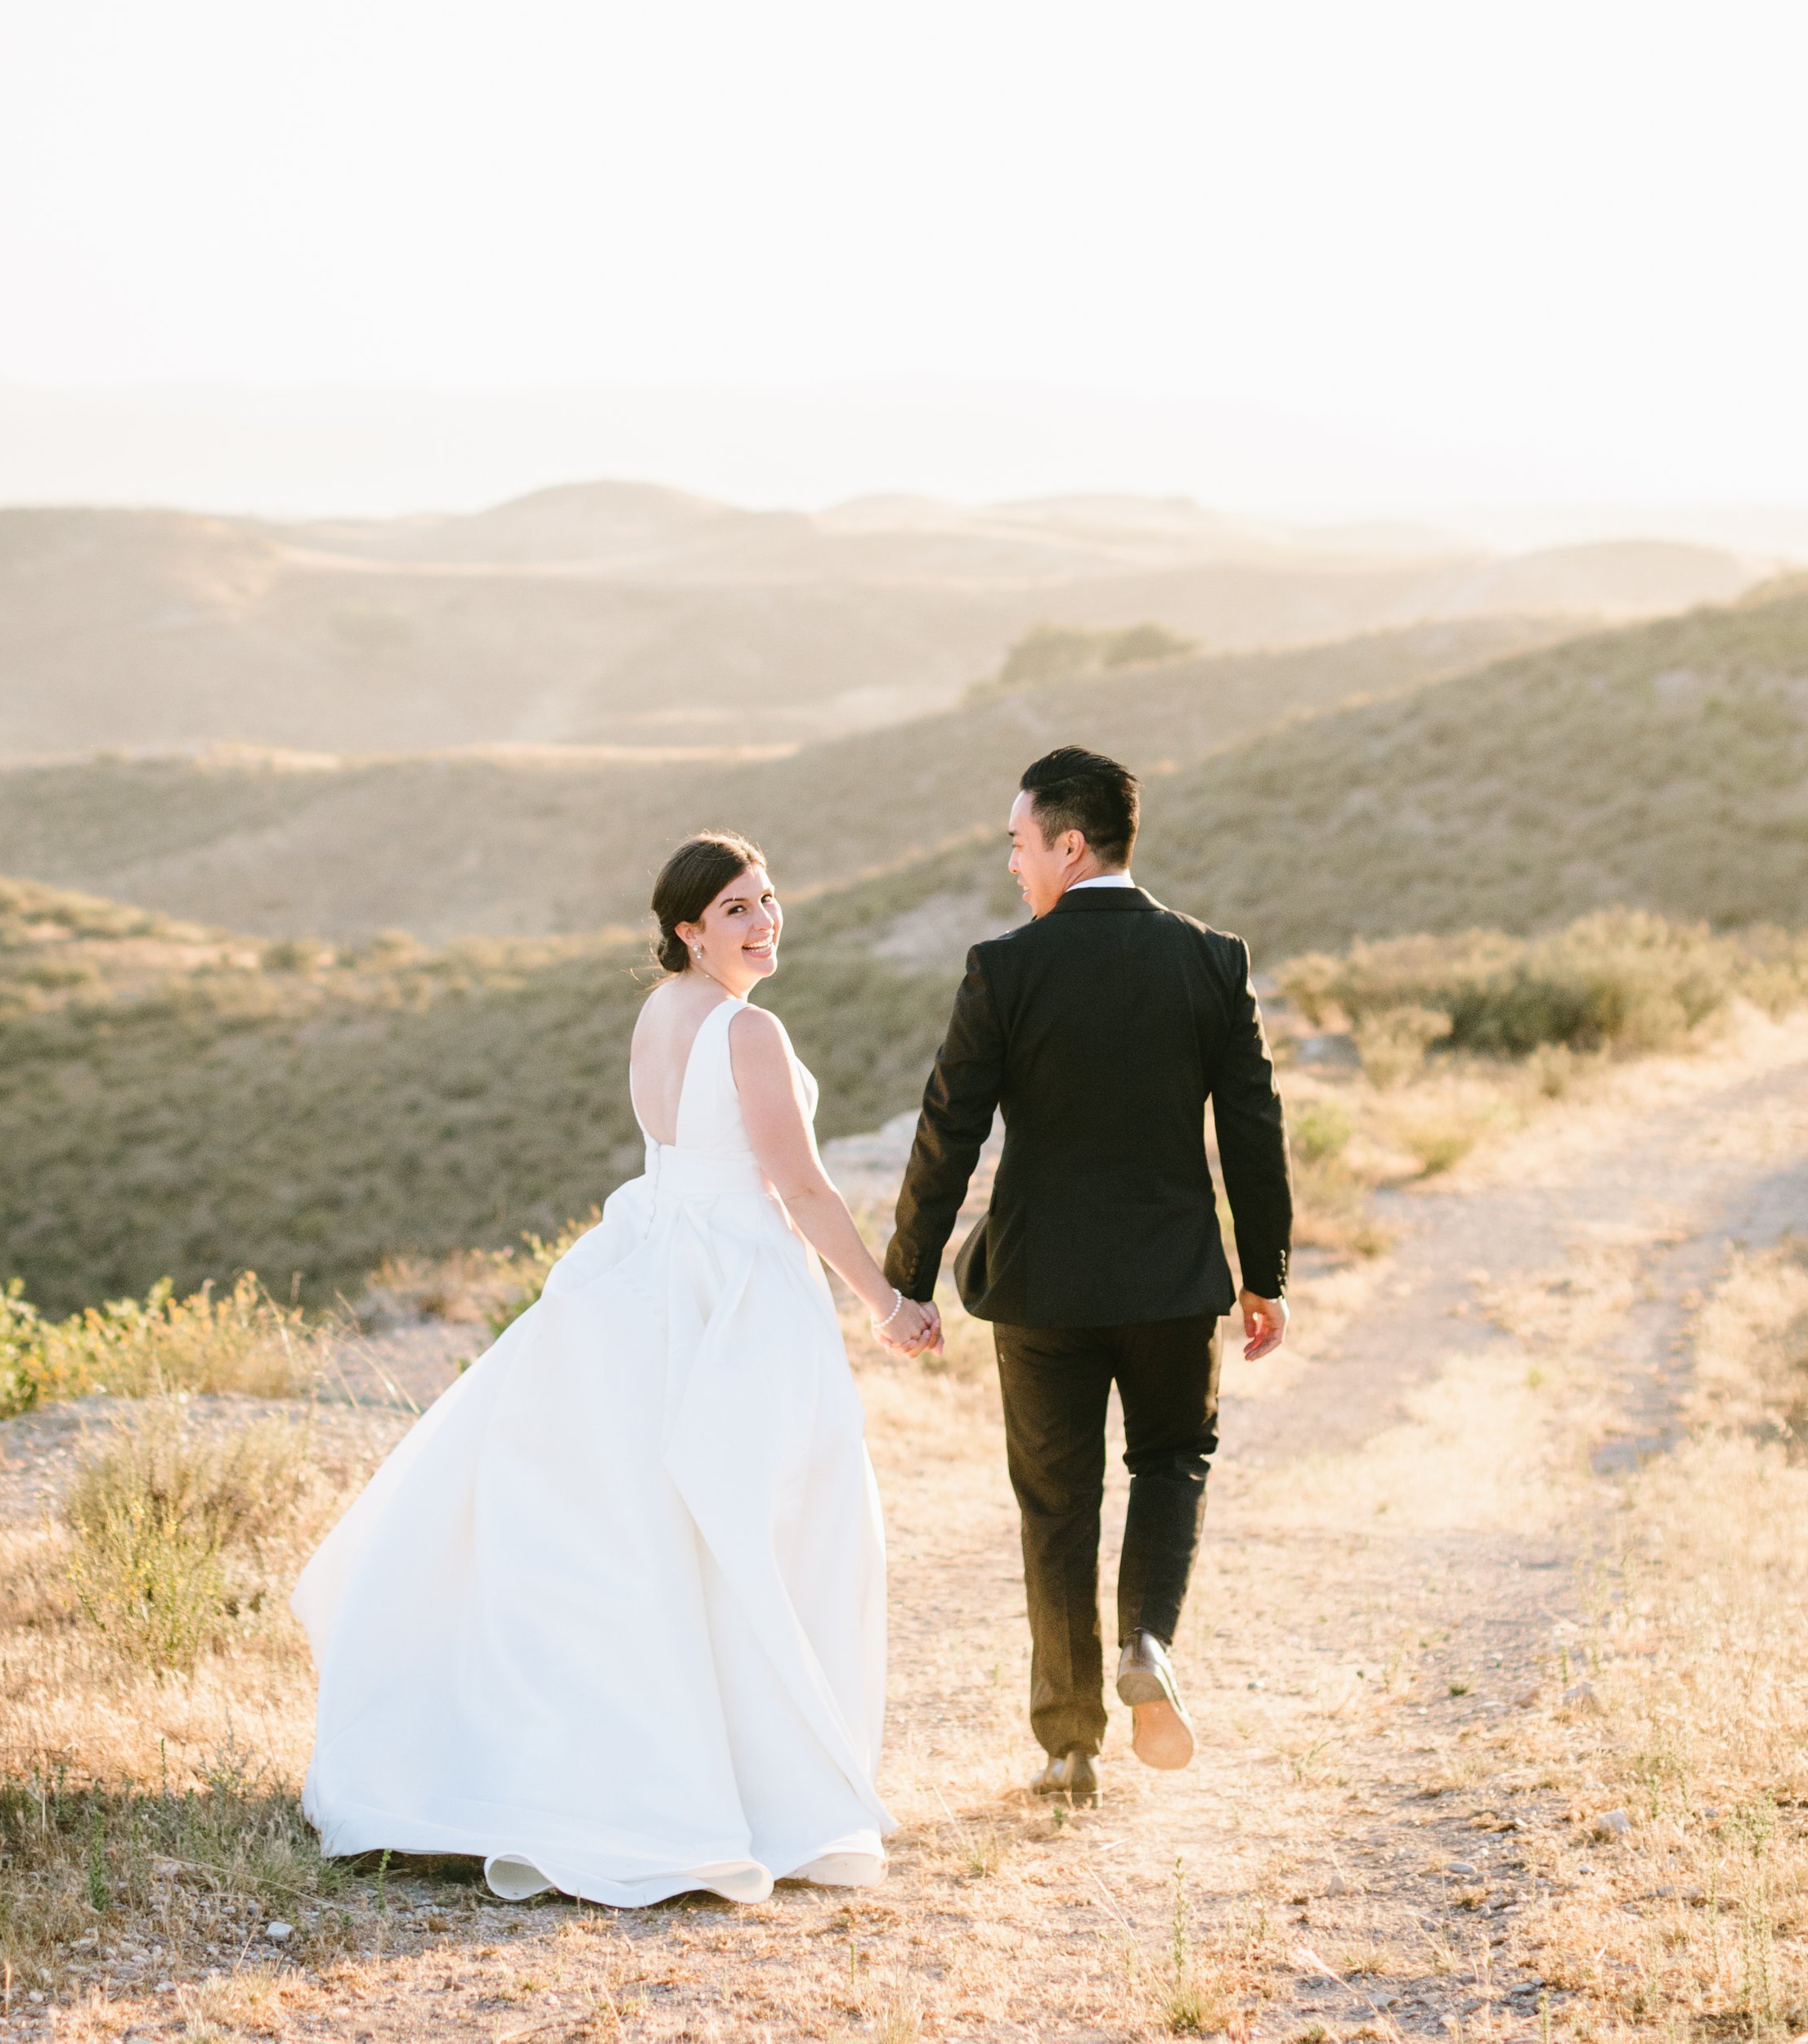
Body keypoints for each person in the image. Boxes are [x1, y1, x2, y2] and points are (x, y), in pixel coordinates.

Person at [292, 832, 937, 1907]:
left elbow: (681, 1152)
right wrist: (888, 1302)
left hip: (649, 1269)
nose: (764, 921)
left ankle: (665, 1767)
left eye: (769, 900)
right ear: (689, 927)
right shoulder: (749, 1029)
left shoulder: (659, 1012)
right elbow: (804, 1190)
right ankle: (756, 1787)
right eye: (736, 908)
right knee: (774, 1518)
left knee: (652, 1526)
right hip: (735, 1287)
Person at [884, 746, 1292, 1805]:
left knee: (1057, 1504)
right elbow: (1252, 1126)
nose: (1012, 865)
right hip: (1173, 1283)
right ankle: (1147, 1640)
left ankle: (1070, 1744)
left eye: (1020, 844)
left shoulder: (1006, 969)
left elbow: (948, 1131)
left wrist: (910, 1277)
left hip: (1043, 1289)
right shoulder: (1211, 961)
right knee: (1171, 1461)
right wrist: (1266, 1272)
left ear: (1070, 844)